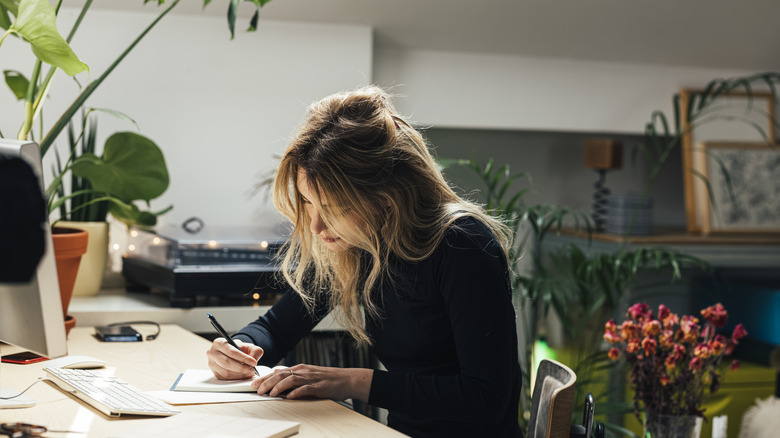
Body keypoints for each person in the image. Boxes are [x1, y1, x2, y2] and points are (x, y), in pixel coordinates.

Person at [206, 85, 523, 438]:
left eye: (334, 208)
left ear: (387, 197)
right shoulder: (357, 243)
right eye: (309, 203)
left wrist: (352, 381)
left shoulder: (462, 244)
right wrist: (240, 348)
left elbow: (486, 399)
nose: (315, 226)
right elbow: (278, 328)